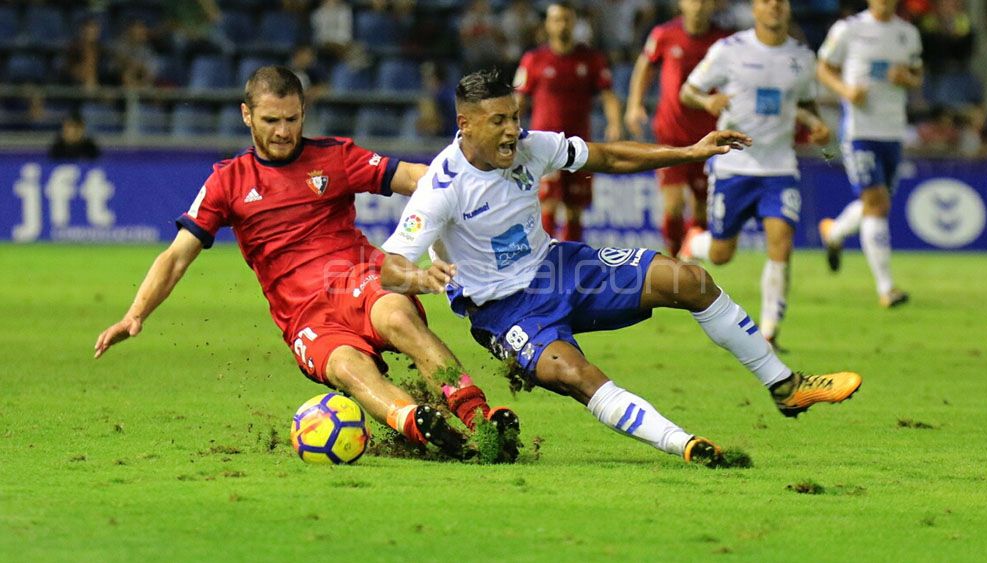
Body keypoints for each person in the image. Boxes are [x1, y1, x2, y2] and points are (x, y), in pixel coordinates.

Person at [378, 68, 861, 467]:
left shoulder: (530, 145)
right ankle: (685, 446)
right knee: (575, 374)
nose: (512, 131)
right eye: (499, 121)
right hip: (504, 311)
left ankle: (786, 385)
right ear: (465, 123)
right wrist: (421, 278)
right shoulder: (442, 188)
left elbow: (606, 155)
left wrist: (688, 152)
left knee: (687, 279)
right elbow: (391, 268)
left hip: (559, 266)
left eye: (516, 117)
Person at [94, 67, 518, 462]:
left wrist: (475, 183)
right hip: (302, 316)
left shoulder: (334, 157)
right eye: (271, 121)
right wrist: (135, 314)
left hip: (357, 278)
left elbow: (415, 177)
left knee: (397, 315)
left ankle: (479, 420)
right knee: (349, 368)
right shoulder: (227, 182)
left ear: (303, 113)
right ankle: (420, 426)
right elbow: (176, 256)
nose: (283, 131)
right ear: (247, 115)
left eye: (292, 120)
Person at [678, 0, 831, 350]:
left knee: (781, 243)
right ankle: (694, 242)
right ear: (754, 9)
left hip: (779, 167)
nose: (774, 6)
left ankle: (769, 333)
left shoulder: (803, 58)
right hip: (733, 164)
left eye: (781, 1)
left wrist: (817, 126)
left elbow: (805, 104)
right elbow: (689, 90)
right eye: (766, 1)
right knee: (720, 254)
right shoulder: (729, 50)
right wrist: (708, 103)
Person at [816, 0, 922, 308]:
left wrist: (908, 80)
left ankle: (834, 232)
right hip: (859, 132)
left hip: (893, 132)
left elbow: (917, 75)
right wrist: (845, 91)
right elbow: (822, 67)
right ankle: (887, 289)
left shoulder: (908, 33)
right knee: (877, 205)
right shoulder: (849, 29)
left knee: (876, 204)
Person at [625, 0, 729, 256]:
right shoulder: (664, 34)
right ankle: (672, 259)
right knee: (673, 204)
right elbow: (645, 65)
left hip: (708, 136)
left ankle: (691, 264)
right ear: (682, 4)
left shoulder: (724, 42)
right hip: (670, 134)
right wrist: (635, 105)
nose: (699, 6)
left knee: (702, 208)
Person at [514, 2, 624, 243]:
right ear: (548, 25)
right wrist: (511, 130)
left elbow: (608, 96)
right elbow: (518, 100)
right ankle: (545, 260)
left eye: (566, 19)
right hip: (542, 146)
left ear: (574, 23)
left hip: (578, 145)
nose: (562, 24)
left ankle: (571, 264)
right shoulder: (534, 60)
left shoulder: (591, 59)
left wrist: (614, 123)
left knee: (575, 210)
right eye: (557, 20)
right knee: (547, 205)